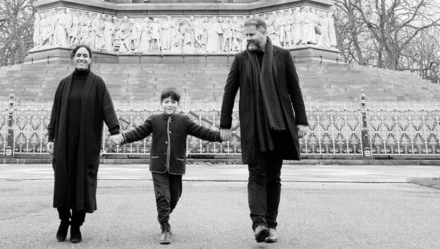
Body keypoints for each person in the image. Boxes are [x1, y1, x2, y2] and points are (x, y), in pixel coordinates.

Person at [219, 18, 308, 244]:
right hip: (253, 126)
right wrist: (225, 124)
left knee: (273, 177)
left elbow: (295, 90)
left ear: (264, 33)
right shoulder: (241, 60)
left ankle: (271, 224)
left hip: (277, 125)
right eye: (246, 36)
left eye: (251, 35)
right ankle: (259, 224)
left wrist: (302, 122)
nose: (248, 39)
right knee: (256, 174)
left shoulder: (282, 56)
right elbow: (229, 92)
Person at [109, 87, 223, 244]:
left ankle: (164, 215)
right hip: (158, 166)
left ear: (178, 104)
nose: (170, 104)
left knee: (174, 198)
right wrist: (122, 138)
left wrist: (220, 136)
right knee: (163, 196)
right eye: (166, 101)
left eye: (173, 102)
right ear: (161, 103)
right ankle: (165, 227)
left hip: (176, 165)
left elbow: (203, 132)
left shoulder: (184, 121)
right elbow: (139, 132)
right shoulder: (154, 120)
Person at [47, 44, 121, 243]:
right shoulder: (63, 84)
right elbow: (55, 111)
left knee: (83, 183)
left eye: (85, 55)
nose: (81, 58)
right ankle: (64, 221)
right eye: (78, 55)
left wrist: (115, 130)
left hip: (86, 143)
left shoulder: (97, 83)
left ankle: (76, 225)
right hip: (64, 142)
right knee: (63, 182)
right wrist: (51, 137)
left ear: (90, 59)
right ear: (73, 58)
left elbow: (107, 107)